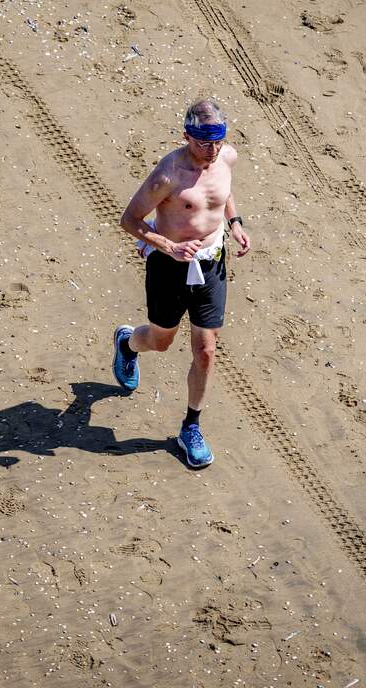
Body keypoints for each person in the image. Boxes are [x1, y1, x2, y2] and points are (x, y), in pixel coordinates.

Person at [113, 99, 251, 468]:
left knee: (206, 350)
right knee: (160, 342)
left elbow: (223, 193)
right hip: (169, 266)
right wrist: (169, 247)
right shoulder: (168, 175)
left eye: (218, 142)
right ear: (186, 136)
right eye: (204, 143)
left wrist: (235, 224)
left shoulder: (226, 158)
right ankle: (128, 343)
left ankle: (191, 427)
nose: (212, 150)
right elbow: (130, 219)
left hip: (211, 263)